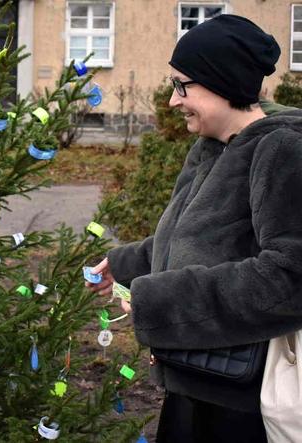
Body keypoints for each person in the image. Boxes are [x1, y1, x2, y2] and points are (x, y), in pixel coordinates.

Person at [86, 15, 302, 443]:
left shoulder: (282, 150)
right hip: (195, 379)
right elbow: (199, 237)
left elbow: (288, 278)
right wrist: (126, 263)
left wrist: (161, 301)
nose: (172, 101)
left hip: (241, 400)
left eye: (182, 85)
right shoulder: (212, 146)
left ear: (222, 82)